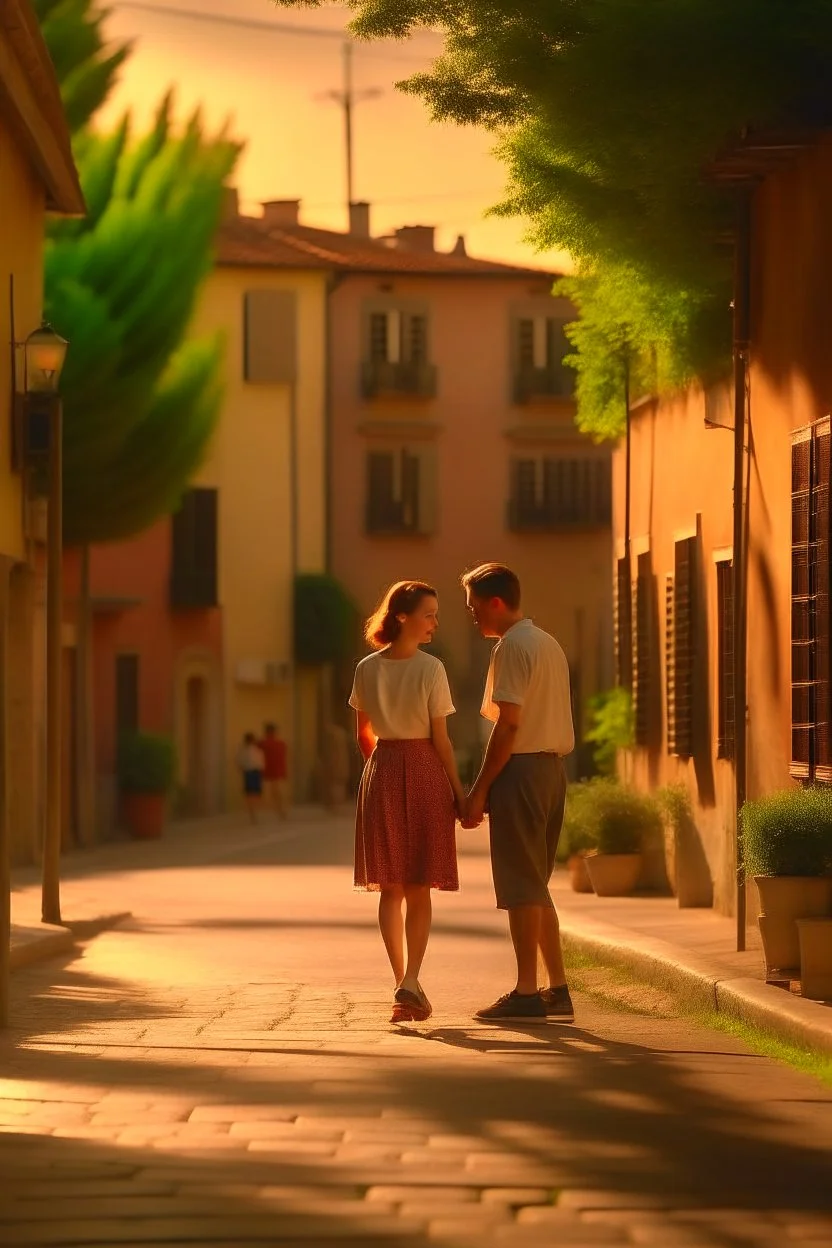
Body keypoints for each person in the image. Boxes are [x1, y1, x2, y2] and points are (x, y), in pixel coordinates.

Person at [460, 562, 576, 1024]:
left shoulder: (512, 647)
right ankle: (557, 988)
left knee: (521, 886)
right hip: (552, 771)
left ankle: (527, 991)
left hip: (523, 771)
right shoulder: (547, 643)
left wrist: (480, 788)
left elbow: (508, 725)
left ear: (495, 602)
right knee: (536, 884)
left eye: (474, 609)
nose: (473, 619)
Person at [350, 580, 465, 1024]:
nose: (435, 622)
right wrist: (459, 792)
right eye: (429, 614)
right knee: (418, 885)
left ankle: (402, 983)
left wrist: (381, 769)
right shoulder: (431, 669)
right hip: (423, 769)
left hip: (380, 769)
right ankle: (411, 979)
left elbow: (363, 734)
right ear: (402, 616)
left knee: (390, 886)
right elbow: (442, 741)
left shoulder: (366, 668)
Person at [259, 723, 288, 819]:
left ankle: (278, 811)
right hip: (279, 770)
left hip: (267, 771)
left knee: (271, 792)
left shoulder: (262, 743)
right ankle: (281, 811)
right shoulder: (281, 744)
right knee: (278, 791)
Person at [237, 731, 265, 824]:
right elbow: (261, 763)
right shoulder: (257, 750)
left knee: (250, 793)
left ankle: (253, 813)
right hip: (254, 772)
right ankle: (253, 814)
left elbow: (240, 763)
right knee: (254, 793)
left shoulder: (244, 751)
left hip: (249, 772)